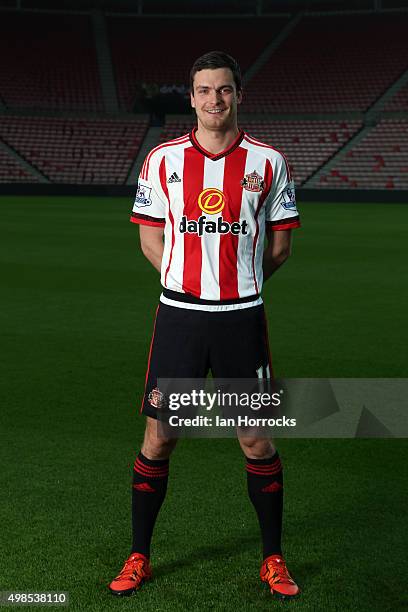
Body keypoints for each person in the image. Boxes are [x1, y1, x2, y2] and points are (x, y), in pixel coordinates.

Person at [109, 51, 301, 600]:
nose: (215, 99)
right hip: (180, 317)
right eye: (204, 90)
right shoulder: (161, 160)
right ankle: (139, 554)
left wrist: (235, 281)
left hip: (241, 318)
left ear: (239, 95)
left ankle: (273, 559)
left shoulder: (269, 163)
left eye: (224, 89)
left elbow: (281, 246)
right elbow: (150, 239)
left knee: (257, 440)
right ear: (191, 98)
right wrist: (187, 281)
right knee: (160, 435)